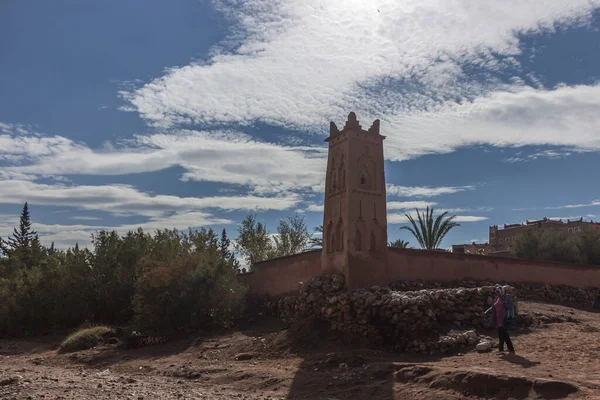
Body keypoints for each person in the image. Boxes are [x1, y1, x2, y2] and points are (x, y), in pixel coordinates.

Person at [485, 285, 515, 354]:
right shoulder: (497, 298)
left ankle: (504, 349)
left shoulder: (507, 297)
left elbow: (510, 306)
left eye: (498, 291)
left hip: (504, 318)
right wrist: (487, 311)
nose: (497, 293)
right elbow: (494, 306)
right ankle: (507, 349)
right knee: (501, 334)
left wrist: (503, 303)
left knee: (504, 334)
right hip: (498, 319)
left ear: (502, 291)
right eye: (496, 292)